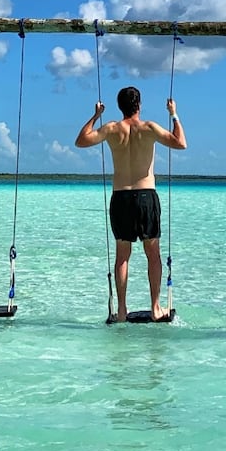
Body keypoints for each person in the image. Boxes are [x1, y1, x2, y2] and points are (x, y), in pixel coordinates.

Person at [75, 86, 187, 322]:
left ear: (119, 106)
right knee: (153, 254)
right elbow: (181, 143)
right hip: (146, 196)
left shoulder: (111, 129)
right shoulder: (149, 128)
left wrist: (95, 116)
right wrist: (173, 113)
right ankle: (156, 308)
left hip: (121, 197)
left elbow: (81, 141)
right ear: (140, 105)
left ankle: (122, 311)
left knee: (122, 256)